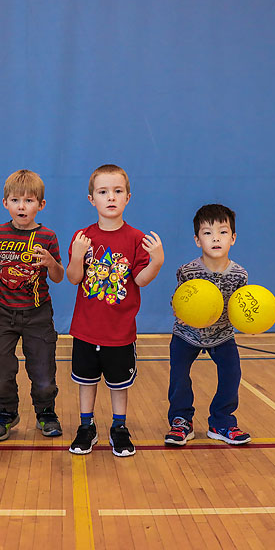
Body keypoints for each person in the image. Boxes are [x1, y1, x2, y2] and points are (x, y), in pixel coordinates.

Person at [66, 164, 164, 457]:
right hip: (86, 329)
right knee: (86, 382)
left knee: (119, 385)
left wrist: (156, 262)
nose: (111, 197)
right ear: (91, 199)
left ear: (127, 197)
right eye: (103, 191)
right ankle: (86, 426)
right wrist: (77, 256)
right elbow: (73, 278)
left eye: (117, 191)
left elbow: (140, 280)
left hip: (120, 332)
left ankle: (119, 427)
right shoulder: (82, 237)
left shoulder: (135, 238)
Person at [0, 170, 65, 441]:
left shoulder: (47, 237)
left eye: (29, 200)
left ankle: (46, 412)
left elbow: (59, 276)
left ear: (41, 204)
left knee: (43, 372)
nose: (21, 206)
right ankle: (5, 413)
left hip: (38, 315)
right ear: (5, 203)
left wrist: (50, 262)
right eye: (15, 200)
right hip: (4, 314)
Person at [164, 204, 251, 447]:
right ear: (197, 240)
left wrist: (249, 319)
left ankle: (222, 422)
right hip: (186, 334)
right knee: (179, 375)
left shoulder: (240, 275)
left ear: (233, 238)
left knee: (232, 374)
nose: (215, 238)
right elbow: (178, 299)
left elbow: (241, 306)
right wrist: (180, 311)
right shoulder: (187, 271)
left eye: (223, 232)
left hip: (222, 335)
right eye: (207, 233)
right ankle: (181, 421)